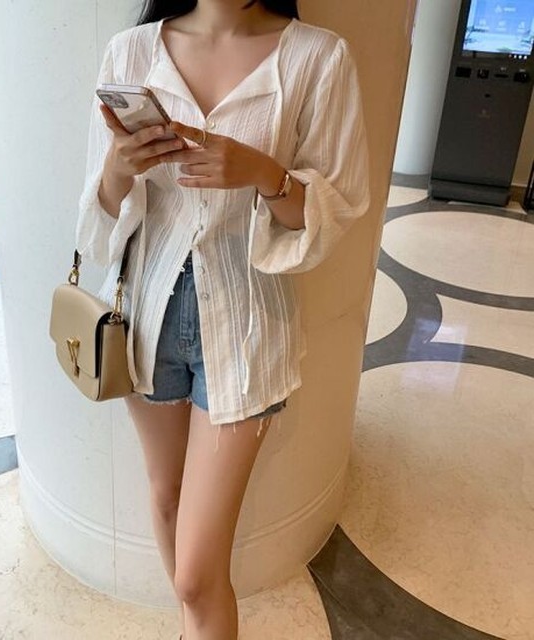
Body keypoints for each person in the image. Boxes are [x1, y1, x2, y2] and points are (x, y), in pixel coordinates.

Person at [76, 0, 369, 638]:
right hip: (145, 320)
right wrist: (119, 169)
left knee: (195, 574)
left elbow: (334, 214)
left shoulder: (318, 57)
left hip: (245, 329)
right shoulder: (132, 51)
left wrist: (264, 174)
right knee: (165, 498)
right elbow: (97, 221)